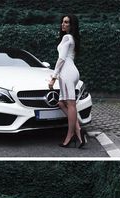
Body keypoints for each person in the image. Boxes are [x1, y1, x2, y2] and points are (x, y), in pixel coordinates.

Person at [48, 14, 86, 148]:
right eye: (62, 22)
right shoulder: (72, 38)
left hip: (67, 73)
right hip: (71, 72)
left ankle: (70, 136)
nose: (63, 24)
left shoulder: (67, 37)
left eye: (66, 22)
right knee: (61, 103)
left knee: (71, 105)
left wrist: (53, 78)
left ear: (72, 25)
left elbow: (61, 59)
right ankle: (79, 131)